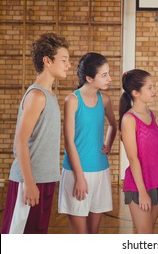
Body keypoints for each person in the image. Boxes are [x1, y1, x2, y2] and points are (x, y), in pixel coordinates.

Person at [1, 33, 71, 234]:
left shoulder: (49, 95)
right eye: (64, 60)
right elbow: (20, 142)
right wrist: (29, 184)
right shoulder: (37, 95)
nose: (68, 65)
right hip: (28, 181)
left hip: (45, 179)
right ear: (47, 61)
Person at [58, 52, 117, 234]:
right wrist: (80, 178)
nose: (110, 78)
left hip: (101, 171)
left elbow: (114, 126)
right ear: (89, 78)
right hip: (77, 173)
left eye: (109, 73)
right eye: (104, 75)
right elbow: (69, 142)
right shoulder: (72, 100)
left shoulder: (105, 100)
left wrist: (108, 145)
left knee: (94, 234)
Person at [119, 69, 158, 234]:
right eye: (149, 87)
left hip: (157, 181)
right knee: (144, 235)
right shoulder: (129, 119)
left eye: (153, 86)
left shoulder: (151, 114)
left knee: (149, 234)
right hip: (139, 185)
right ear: (136, 93)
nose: (154, 91)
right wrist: (142, 192)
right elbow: (133, 159)